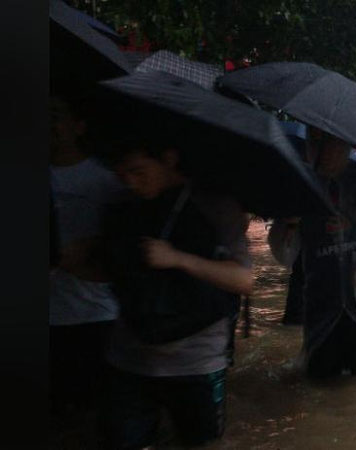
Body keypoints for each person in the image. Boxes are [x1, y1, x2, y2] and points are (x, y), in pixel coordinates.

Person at [98, 138, 253, 449]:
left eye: (139, 171)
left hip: (195, 363)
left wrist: (179, 259)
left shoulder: (215, 205)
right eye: (122, 173)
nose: (131, 181)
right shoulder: (120, 204)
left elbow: (243, 279)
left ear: (168, 159)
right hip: (129, 358)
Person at [269, 128, 356, 378]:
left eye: (329, 142)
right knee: (320, 383)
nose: (320, 150)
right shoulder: (301, 186)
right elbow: (284, 254)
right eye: (314, 142)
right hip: (321, 305)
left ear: (346, 145)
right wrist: (288, 223)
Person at [49, 96, 129, 416]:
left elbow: (125, 250)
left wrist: (77, 255)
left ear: (78, 126)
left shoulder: (108, 182)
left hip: (96, 315)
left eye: (55, 114)